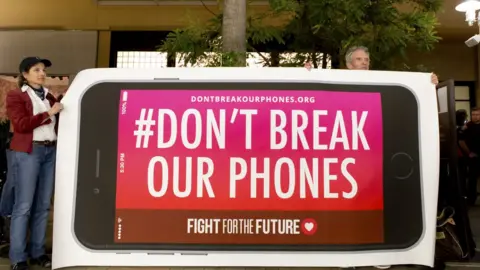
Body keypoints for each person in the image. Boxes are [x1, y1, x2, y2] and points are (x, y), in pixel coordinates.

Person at [6, 57, 63, 270]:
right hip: (29, 151)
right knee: (23, 206)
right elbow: (21, 125)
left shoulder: (49, 95)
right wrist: (48, 113)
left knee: (42, 206)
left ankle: (37, 252)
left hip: (50, 150)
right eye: (36, 69)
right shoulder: (16, 96)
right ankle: (18, 258)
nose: (42, 73)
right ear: (25, 74)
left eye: (44, 70)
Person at [305, 46, 439, 85]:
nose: (364, 62)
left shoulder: (381, 82)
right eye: (359, 59)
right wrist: (306, 73)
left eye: (366, 59)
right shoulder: (336, 82)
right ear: (349, 65)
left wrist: (428, 83)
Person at [464, 107, 480, 206]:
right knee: (472, 179)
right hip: (473, 156)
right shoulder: (468, 126)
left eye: (477, 114)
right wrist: (469, 153)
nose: (475, 116)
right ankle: (471, 199)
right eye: (473, 114)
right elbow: (461, 141)